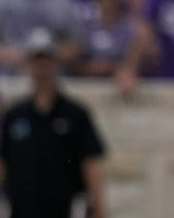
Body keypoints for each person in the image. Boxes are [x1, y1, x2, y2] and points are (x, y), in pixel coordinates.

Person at [0, 28, 108, 218]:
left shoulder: (75, 114)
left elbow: (90, 163)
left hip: (64, 209)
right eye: (37, 61)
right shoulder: (15, 115)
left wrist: (99, 208)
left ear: (55, 63)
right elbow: (3, 162)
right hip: (22, 210)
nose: (41, 67)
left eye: (46, 60)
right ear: (29, 65)